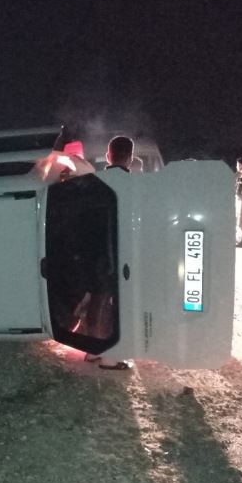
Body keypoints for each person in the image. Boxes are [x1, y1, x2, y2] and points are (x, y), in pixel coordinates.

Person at [84, 136, 136, 371]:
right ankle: (110, 357)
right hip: (121, 254)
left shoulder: (94, 181)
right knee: (117, 304)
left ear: (108, 156)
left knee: (97, 298)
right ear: (130, 158)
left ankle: (91, 350)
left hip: (94, 252)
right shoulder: (133, 184)